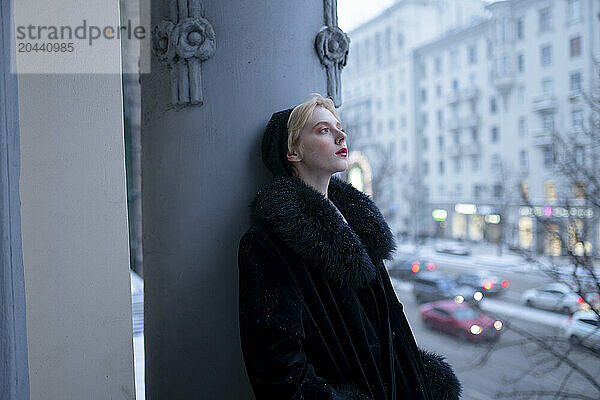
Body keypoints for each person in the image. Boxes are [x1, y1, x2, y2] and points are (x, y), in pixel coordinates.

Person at [238, 95, 461, 400]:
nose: (341, 136)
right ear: (292, 151)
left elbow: (386, 331)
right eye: (323, 130)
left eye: (339, 128)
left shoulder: (358, 227)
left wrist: (420, 380)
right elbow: (277, 368)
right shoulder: (268, 243)